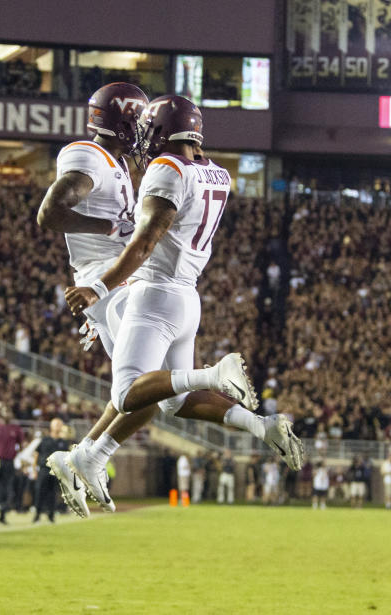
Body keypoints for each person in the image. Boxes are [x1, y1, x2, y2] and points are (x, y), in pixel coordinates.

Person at [61, 95, 303, 512]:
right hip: (188, 297)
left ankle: (211, 374)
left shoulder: (165, 168)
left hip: (155, 294)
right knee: (173, 401)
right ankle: (262, 427)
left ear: (160, 131)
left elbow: (145, 242)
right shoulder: (217, 174)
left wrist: (97, 290)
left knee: (125, 395)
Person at [39, 82, 159, 519]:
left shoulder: (119, 165)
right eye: (139, 123)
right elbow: (50, 212)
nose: (145, 133)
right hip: (105, 283)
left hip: (114, 284)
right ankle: (88, 455)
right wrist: (110, 230)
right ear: (122, 122)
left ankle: (84, 456)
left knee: (140, 390)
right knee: (154, 384)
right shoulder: (90, 156)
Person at [0, 410, 25, 524]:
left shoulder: (15, 428)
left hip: (9, 461)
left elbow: (21, 444)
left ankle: (2, 513)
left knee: (8, 488)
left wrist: (18, 457)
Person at [33, 418, 69, 523]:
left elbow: (65, 458)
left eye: (60, 424)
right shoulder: (45, 440)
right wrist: (34, 469)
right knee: (40, 492)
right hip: (44, 469)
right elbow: (36, 454)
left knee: (53, 493)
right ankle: (37, 514)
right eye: (56, 424)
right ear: (51, 426)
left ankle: (51, 515)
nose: (58, 426)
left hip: (56, 471)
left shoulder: (64, 442)